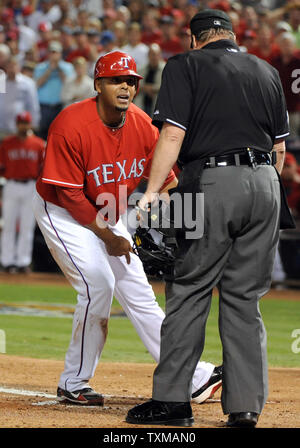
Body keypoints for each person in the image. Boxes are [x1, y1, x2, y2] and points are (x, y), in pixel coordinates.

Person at [126, 9, 289, 428]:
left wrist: (150, 193)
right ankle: (245, 408)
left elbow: (174, 135)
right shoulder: (266, 70)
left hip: (213, 183)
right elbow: (280, 150)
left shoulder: (185, 64)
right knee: (244, 299)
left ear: (194, 38)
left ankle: (172, 403)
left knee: (189, 288)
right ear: (232, 35)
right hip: (267, 185)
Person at [32, 51, 221, 406]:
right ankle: (74, 382)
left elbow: (165, 178)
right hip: (61, 210)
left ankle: (191, 377)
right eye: (116, 80)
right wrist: (110, 237)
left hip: (108, 209)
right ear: (97, 85)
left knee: (139, 294)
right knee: (98, 284)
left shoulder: (140, 123)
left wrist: (178, 223)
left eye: (131, 81)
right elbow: (69, 194)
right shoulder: (70, 124)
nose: (125, 86)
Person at [0, 112, 45, 273]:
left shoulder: (39, 144)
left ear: (30, 124)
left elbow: (43, 169)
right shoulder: (7, 143)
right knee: (9, 225)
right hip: (11, 184)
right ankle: (7, 261)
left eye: (25, 123)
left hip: (30, 186)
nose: (22, 126)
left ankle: (22, 262)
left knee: (27, 226)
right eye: (20, 123)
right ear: (16, 124)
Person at [34, 40, 75, 140]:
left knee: (59, 134)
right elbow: (37, 84)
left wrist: (59, 69)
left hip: (60, 106)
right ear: (47, 53)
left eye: (56, 52)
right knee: (42, 134)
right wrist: (49, 70)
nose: (53, 55)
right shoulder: (40, 67)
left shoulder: (68, 67)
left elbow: (69, 84)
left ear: (60, 54)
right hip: (44, 107)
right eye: (51, 52)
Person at [0, 56, 40, 140]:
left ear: (18, 67)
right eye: (9, 66)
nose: (12, 69)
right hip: (2, 126)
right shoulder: (1, 81)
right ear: (6, 67)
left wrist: (34, 124)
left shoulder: (27, 83)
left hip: (21, 127)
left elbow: (33, 105)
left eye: (14, 66)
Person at [134, 43, 166, 117]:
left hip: (158, 106)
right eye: (152, 54)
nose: (154, 57)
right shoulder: (141, 69)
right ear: (148, 56)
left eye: (156, 54)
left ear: (160, 55)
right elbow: (136, 85)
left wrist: (152, 88)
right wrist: (145, 88)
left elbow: (167, 87)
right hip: (142, 104)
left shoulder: (165, 69)